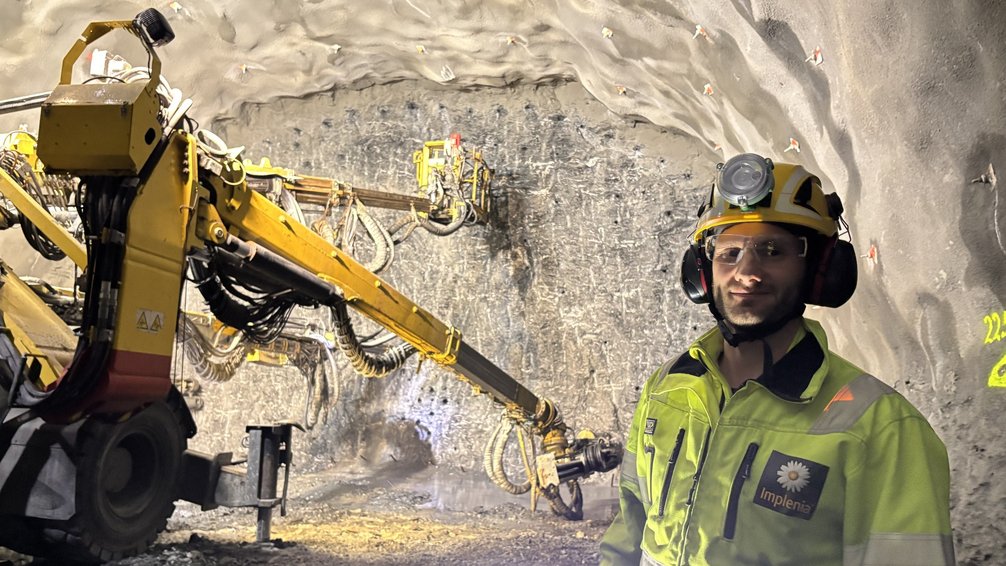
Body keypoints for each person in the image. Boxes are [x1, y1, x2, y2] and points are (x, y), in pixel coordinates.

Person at [599, 154, 954, 565]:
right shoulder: (668, 389)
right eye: (729, 253)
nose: (747, 273)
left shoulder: (881, 428)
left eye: (772, 251)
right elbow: (629, 529)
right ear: (702, 272)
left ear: (819, 270)